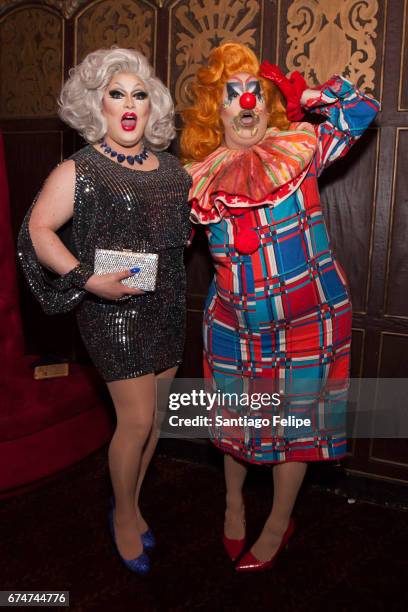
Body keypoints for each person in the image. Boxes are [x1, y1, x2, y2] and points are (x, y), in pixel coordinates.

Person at [181, 42, 379, 572]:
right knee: (236, 422)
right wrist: (96, 277)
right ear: (216, 109)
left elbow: (363, 110)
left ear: (267, 104)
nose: (245, 104)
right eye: (233, 95)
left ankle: (278, 520)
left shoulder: (302, 147)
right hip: (234, 326)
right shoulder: (197, 178)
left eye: (256, 95)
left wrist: (306, 95)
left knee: (297, 429)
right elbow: (150, 239)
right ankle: (232, 503)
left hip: (311, 321)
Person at [17, 47, 192, 574]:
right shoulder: (82, 168)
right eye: (116, 94)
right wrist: (87, 279)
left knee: (157, 418)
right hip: (110, 311)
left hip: (165, 302)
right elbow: (38, 230)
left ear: (151, 104)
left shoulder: (174, 170)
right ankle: (122, 518)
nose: (129, 103)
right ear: (99, 105)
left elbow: (188, 232)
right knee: (135, 420)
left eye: (139, 93)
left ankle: (132, 502)